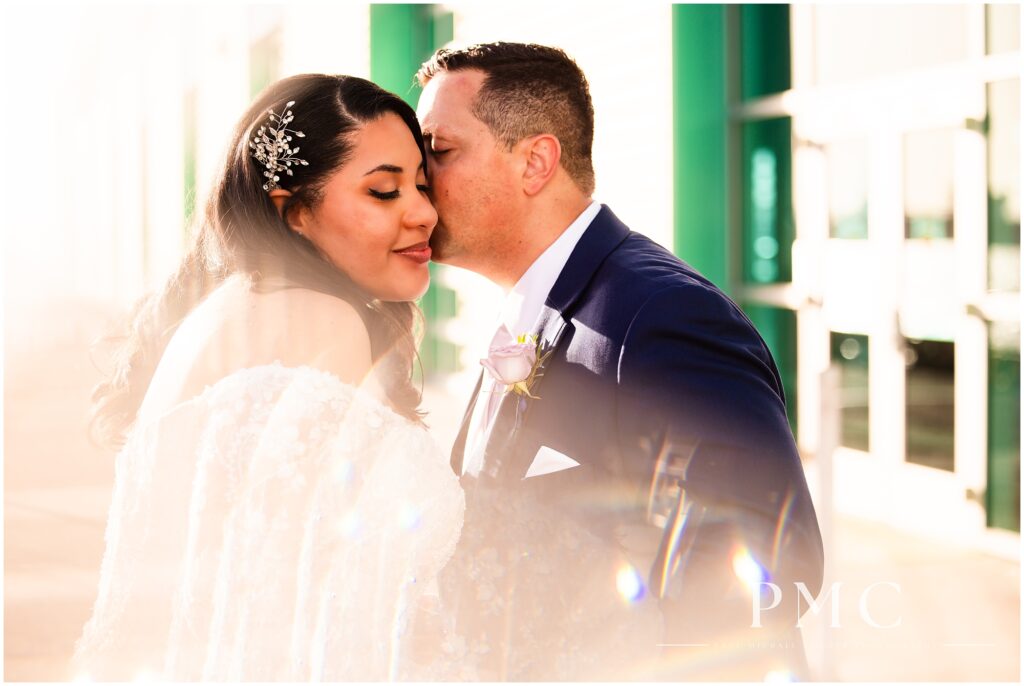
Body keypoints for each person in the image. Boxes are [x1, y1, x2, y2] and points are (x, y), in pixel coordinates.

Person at [415, 42, 825, 680]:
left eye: (439, 150)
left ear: (536, 162)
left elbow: (773, 566)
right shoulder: (532, 306)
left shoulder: (661, 315)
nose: (419, 177)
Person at [72, 74, 464, 681]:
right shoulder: (324, 321)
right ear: (295, 213)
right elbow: (295, 594)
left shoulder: (223, 310)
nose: (424, 213)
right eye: (385, 191)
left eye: (421, 184)